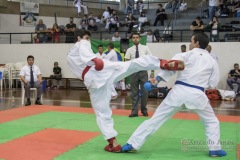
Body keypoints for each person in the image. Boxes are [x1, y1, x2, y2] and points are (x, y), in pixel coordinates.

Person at [67, 29, 184, 153]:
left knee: (102, 112)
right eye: (86, 37)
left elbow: (83, 64)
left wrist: (95, 61)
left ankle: (113, 143)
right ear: (79, 38)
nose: (88, 40)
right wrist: (95, 60)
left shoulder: (70, 57)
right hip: (102, 70)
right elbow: (84, 48)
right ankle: (163, 63)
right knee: (135, 64)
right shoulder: (81, 44)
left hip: (93, 81)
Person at [122, 33, 227, 158]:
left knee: (155, 120)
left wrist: (157, 79)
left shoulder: (184, 55)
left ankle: (132, 144)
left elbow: (171, 69)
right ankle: (214, 149)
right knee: (211, 122)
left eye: (191, 41)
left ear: (197, 43)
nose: (189, 44)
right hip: (198, 95)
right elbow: (212, 84)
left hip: (178, 93)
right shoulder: (212, 60)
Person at [124, 33, 153, 118]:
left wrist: (152, 72)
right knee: (134, 93)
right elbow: (126, 62)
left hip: (143, 71)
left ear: (140, 39)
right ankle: (134, 112)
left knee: (145, 91)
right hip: (133, 72)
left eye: (137, 37)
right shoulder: (129, 50)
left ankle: (144, 110)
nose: (135, 39)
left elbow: (151, 59)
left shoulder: (145, 48)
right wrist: (126, 73)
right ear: (132, 39)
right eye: (134, 38)